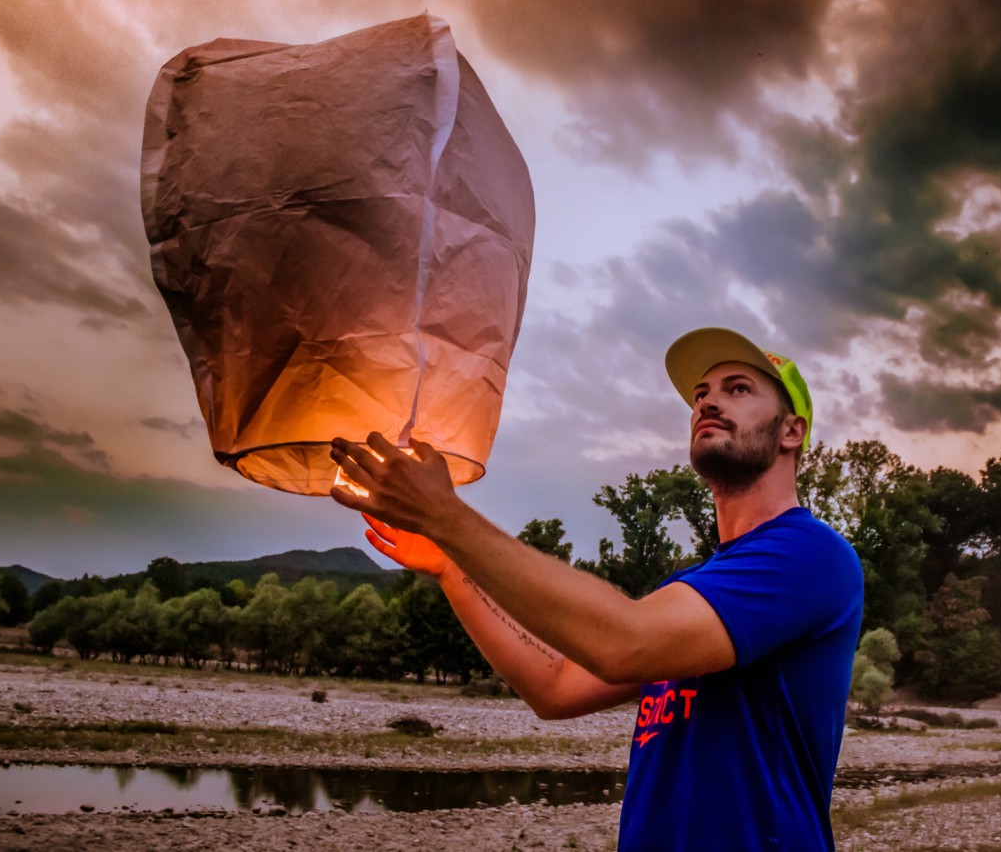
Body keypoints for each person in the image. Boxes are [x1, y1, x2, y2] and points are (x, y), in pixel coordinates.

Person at [330, 327, 863, 851]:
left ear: (791, 431)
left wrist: (447, 517)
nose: (708, 402)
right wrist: (452, 569)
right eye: (701, 395)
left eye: (738, 389)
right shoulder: (689, 591)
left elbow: (624, 641)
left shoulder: (811, 556)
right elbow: (556, 687)